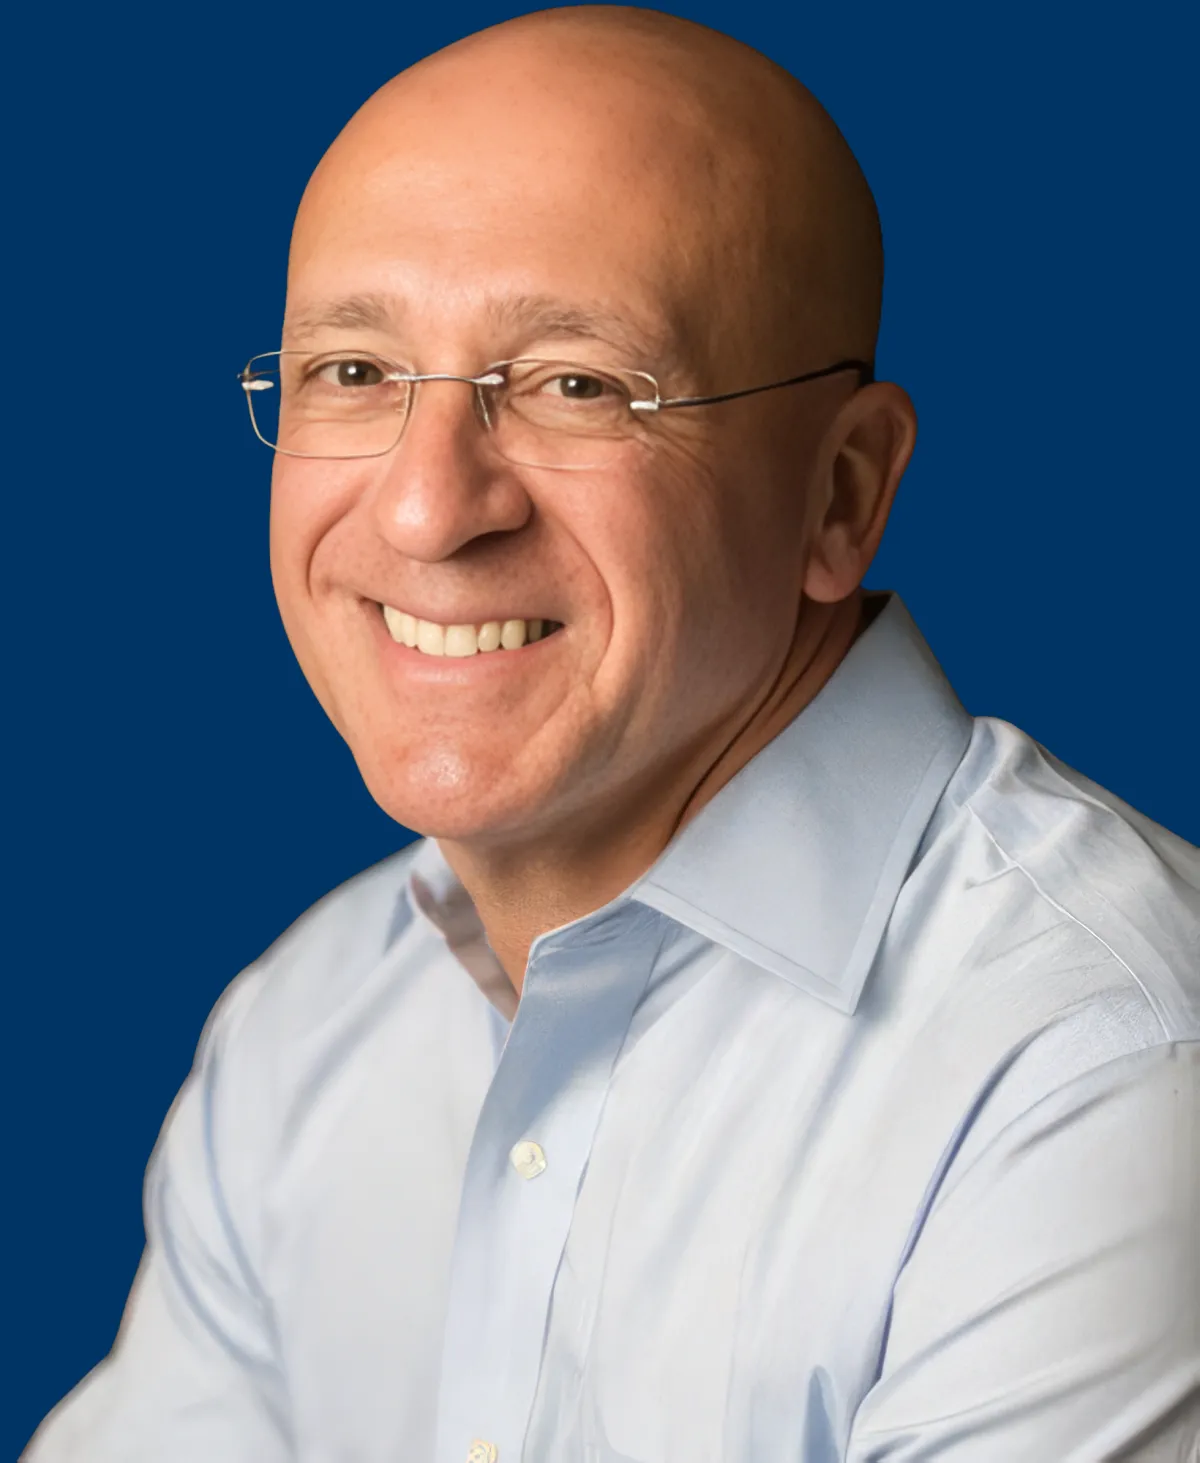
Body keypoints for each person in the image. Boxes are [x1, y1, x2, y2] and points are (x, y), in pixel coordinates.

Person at [25, 7, 1200, 1461]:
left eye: (577, 384)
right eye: (354, 371)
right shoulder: (306, 1031)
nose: (424, 507)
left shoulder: (1097, 1066)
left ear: (840, 494)